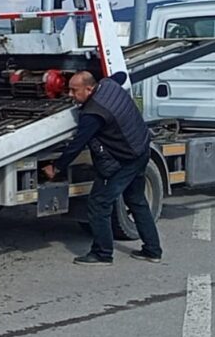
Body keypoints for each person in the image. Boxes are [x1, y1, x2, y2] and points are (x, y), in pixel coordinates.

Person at [41, 70, 162, 266]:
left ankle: (102, 254)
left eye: (74, 91)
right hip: (141, 151)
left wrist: (56, 168)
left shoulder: (93, 114)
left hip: (121, 161)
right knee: (137, 201)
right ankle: (153, 250)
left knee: (99, 204)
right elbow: (121, 75)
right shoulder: (108, 84)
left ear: (89, 89)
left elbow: (77, 144)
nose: (70, 95)